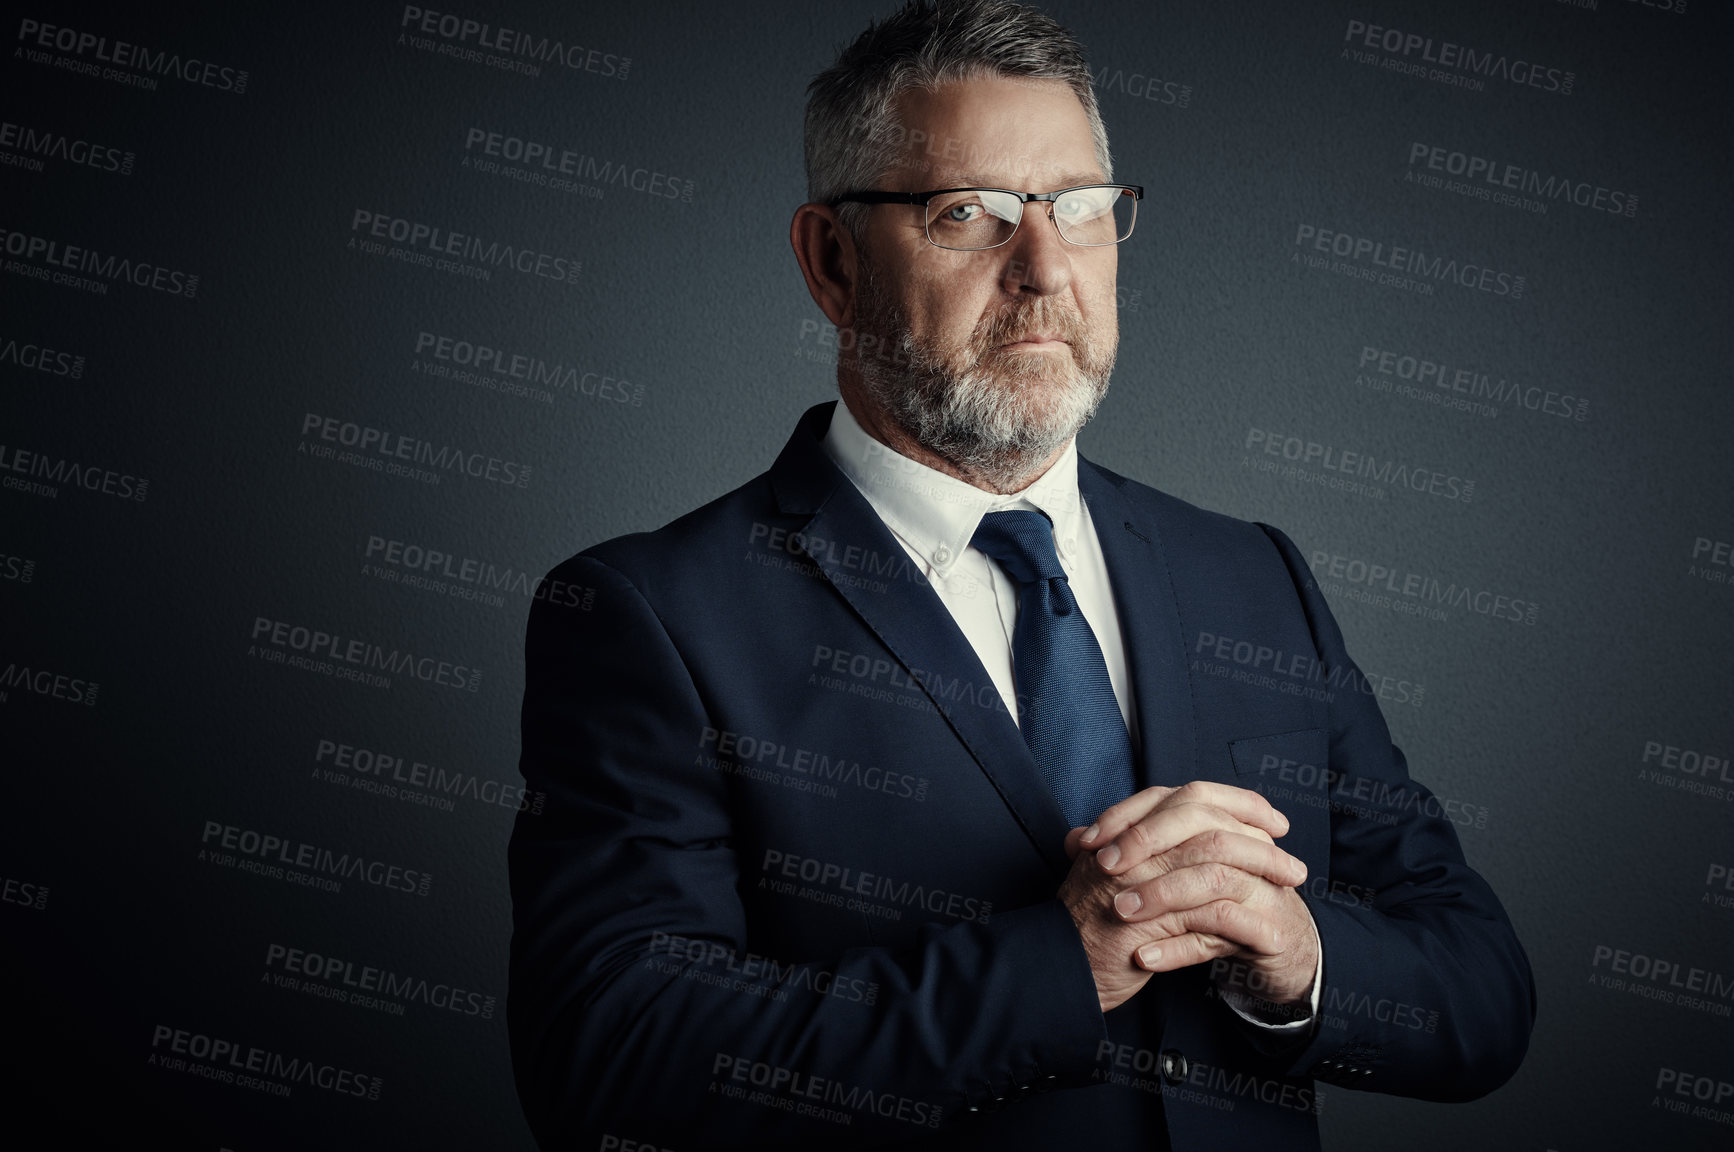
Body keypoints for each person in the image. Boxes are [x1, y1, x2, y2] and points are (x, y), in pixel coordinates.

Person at [507, 2, 1535, 1148]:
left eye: (1083, 211)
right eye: (969, 215)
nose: (1044, 269)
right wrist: (1065, 961)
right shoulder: (655, 615)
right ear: (832, 263)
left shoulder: (1254, 580)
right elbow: (611, 1049)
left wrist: (1297, 957)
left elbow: (1483, 993)